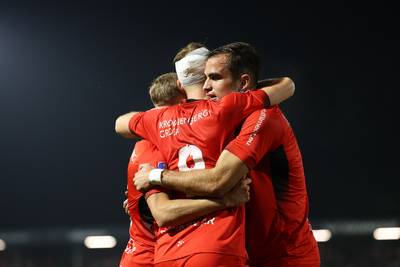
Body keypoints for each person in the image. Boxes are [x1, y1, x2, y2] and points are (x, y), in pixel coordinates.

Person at [134, 42, 320, 267]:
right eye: (204, 78)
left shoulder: (264, 117)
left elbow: (218, 180)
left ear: (243, 83)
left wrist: (156, 176)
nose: (206, 87)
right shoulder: (221, 121)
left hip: (286, 256)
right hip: (251, 254)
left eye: (214, 78)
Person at [119, 72, 251, 267]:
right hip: (146, 258)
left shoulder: (152, 139)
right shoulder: (154, 146)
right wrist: (226, 200)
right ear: (183, 100)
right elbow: (163, 213)